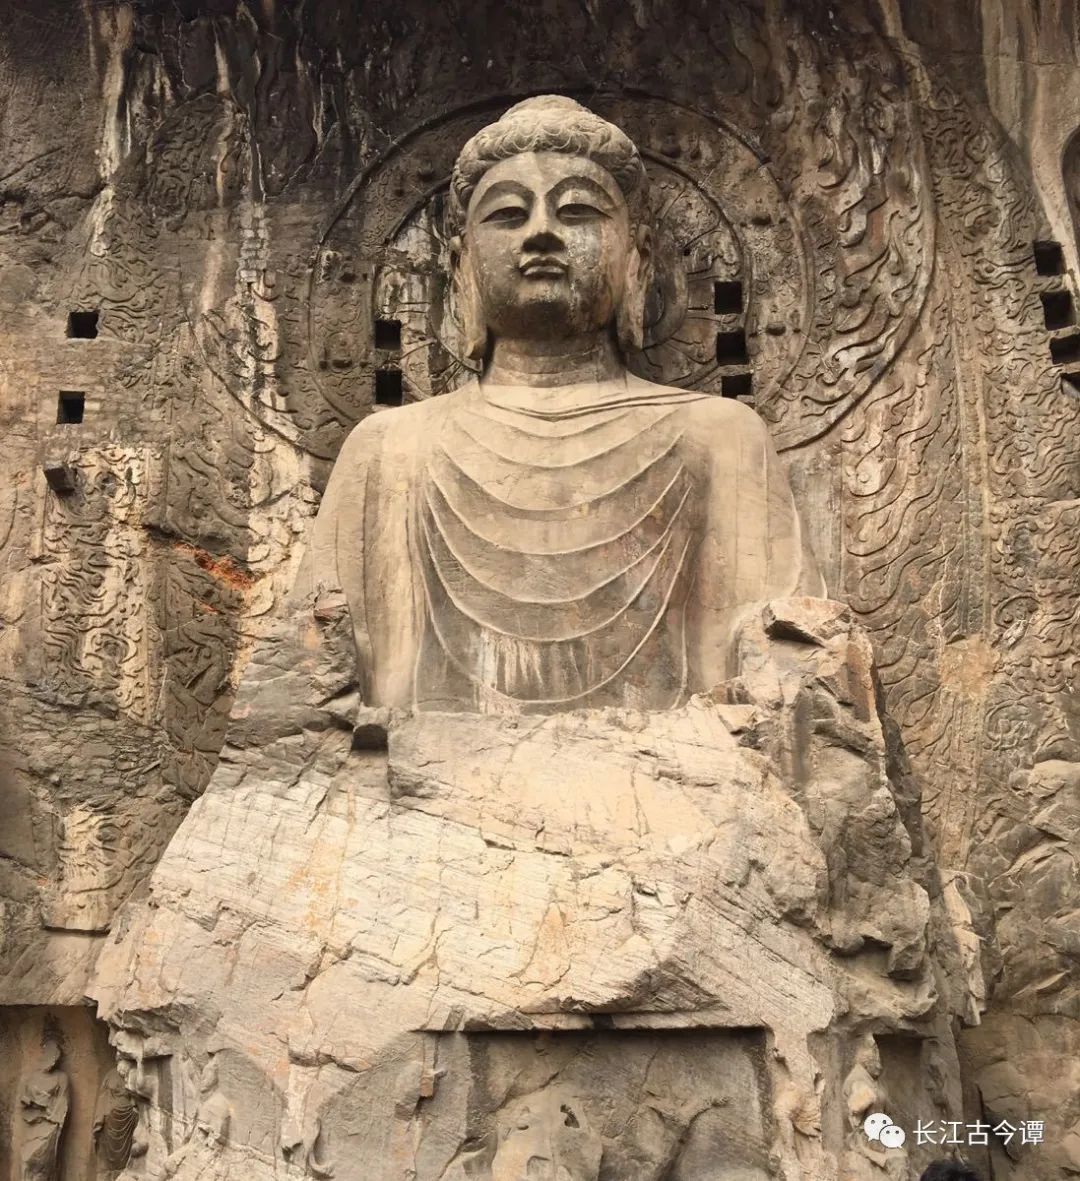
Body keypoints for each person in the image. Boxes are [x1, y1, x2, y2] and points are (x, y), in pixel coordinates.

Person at [305, 95, 823, 714]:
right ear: (461, 263)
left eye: (577, 211)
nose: (541, 232)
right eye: (507, 214)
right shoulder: (390, 446)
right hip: (423, 769)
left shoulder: (719, 434)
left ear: (638, 258)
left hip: (676, 765)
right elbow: (312, 680)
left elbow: (777, 681)